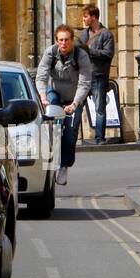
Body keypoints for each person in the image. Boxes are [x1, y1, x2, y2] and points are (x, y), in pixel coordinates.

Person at [34, 25, 92, 186]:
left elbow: (85, 82)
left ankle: (64, 166)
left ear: (72, 40)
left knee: (71, 132)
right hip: (55, 94)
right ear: (56, 41)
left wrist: (75, 104)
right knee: (53, 127)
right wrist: (43, 97)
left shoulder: (81, 56)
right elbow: (41, 76)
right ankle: (51, 160)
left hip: (74, 97)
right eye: (60, 40)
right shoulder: (50, 53)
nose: (63, 43)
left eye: (67, 40)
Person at [77, 5, 116, 143]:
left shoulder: (106, 34)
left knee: (99, 108)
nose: (83, 19)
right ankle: (76, 137)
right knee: (77, 106)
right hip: (84, 76)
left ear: (94, 17)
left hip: (99, 75)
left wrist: (89, 51)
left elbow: (108, 54)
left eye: (86, 16)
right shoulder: (83, 34)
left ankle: (99, 137)